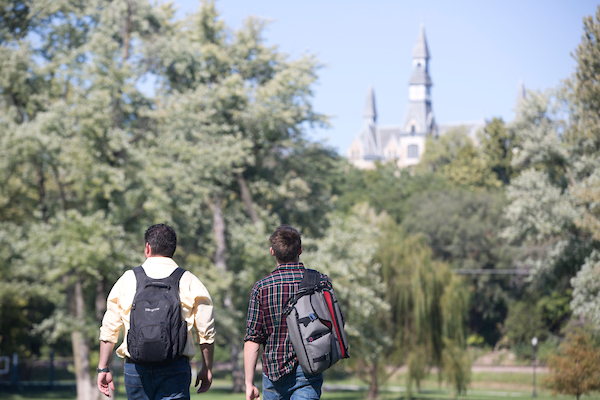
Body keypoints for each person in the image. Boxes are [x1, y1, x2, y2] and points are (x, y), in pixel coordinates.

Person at [97, 224, 215, 399]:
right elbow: (205, 332)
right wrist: (207, 368)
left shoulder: (128, 279)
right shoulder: (189, 281)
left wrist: (103, 368)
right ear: (173, 249)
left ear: (147, 248)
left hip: (136, 369)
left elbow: (109, 328)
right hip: (175, 367)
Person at [244, 225, 335, 400]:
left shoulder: (261, 288)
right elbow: (336, 322)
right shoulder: (321, 282)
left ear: (272, 251)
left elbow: (252, 339)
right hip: (310, 367)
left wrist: (249, 383)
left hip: (273, 372)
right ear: (300, 250)